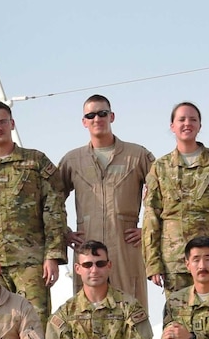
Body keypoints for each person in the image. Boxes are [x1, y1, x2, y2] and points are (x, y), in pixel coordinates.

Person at [0, 101, 66, 331]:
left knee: (35, 323)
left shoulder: (36, 162)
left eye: (2, 122)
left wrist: (53, 255)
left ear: (12, 123)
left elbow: (54, 210)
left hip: (30, 261)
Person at [141, 102, 209, 294]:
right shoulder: (160, 167)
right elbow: (151, 217)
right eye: (181, 119)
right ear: (172, 126)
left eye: (193, 119)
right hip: (175, 261)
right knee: (178, 320)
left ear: (200, 125)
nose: (187, 124)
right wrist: (153, 262)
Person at [55, 94, 153, 303]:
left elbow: (164, 192)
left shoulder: (136, 156)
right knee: (88, 310)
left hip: (125, 245)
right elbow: (50, 198)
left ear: (112, 116)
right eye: (90, 115)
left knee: (131, 306)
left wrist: (149, 228)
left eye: (102, 113)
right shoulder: (73, 160)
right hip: (87, 247)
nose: (97, 119)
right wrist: (64, 232)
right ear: (84, 122)